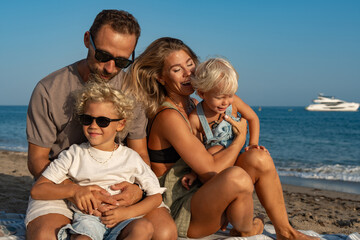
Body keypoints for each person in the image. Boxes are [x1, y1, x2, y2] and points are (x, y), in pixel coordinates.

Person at [125, 37, 318, 240]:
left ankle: (285, 231)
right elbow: (210, 172)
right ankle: (248, 229)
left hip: (202, 191)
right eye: (176, 69)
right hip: (181, 206)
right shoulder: (169, 116)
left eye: (190, 64)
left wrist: (250, 146)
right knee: (237, 176)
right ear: (160, 77)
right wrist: (240, 138)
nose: (188, 73)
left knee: (259, 158)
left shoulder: (193, 104)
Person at [26, 10, 176, 240]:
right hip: (61, 183)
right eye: (103, 55)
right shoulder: (48, 90)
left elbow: (140, 154)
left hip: (116, 188)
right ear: (87, 40)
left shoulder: (132, 91)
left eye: (122, 61)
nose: (110, 68)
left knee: (164, 233)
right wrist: (75, 190)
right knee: (46, 236)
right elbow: (37, 160)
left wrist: (136, 191)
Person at [30, 81, 166, 240]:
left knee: (144, 227)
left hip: (125, 218)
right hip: (88, 219)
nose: (93, 126)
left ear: (121, 124)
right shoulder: (74, 154)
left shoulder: (131, 158)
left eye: (103, 121)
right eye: (87, 119)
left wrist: (127, 213)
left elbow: (156, 196)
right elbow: (37, 190)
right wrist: (74, 191)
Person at [181, 57, 268, 189]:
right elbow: (197, 153)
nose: (226, 102)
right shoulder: (196, 118)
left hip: (239, 155)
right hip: (217, 165)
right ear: (202, 93)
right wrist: (193, 173)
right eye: (219, 97)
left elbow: (253, 118)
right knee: (213, 149)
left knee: (260, 157)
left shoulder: (234, 104)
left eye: (230, 95)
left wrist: (253, 143)